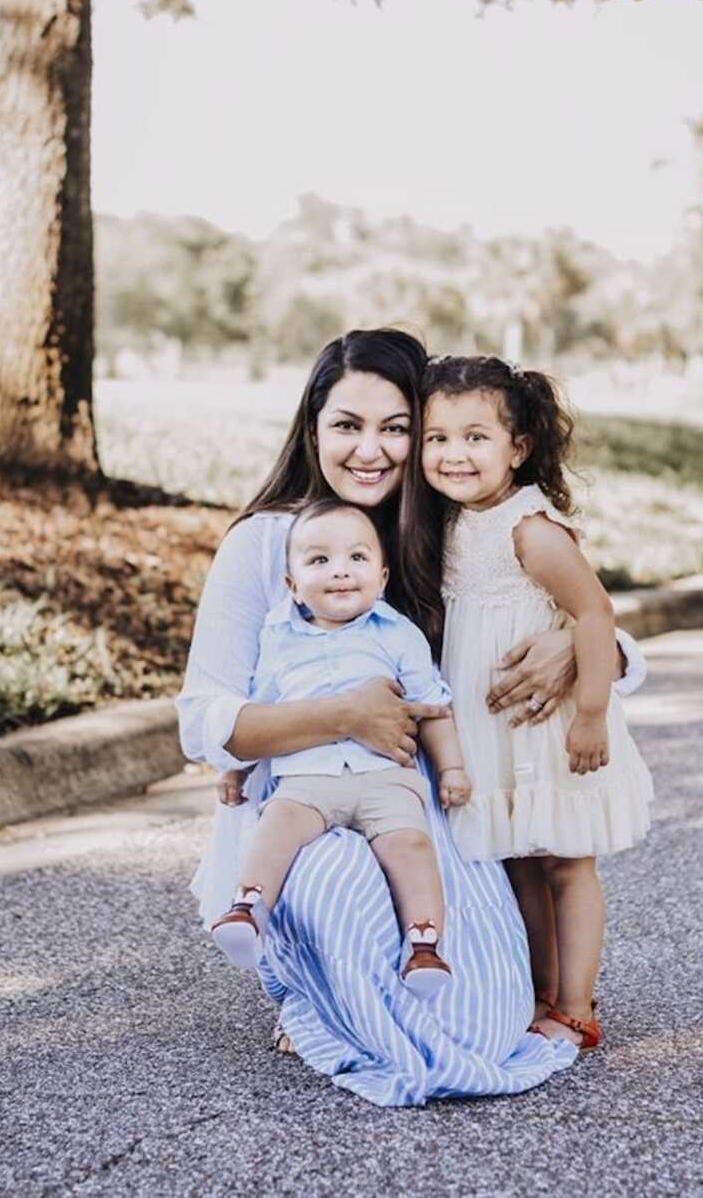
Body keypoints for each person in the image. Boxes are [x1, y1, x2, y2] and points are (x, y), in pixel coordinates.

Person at [177, 327, 645, 1107]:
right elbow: (203, 721)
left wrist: (579, 647)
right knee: (342, 883)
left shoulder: (443, 526)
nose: (373, 450)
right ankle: (318, 988)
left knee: (490, 1019)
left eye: (396, 428)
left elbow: (597, 628)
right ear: (312, 428)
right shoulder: (270, 542)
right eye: (348, 425)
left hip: (420, 806)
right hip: (309, 806)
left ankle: (522, 993)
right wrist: (341, 714)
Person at [420, 354, 654, 1052]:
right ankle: (542, 988)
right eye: (437, 437)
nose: (453, 454)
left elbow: (594, 613)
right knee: (520, 858)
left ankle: (578, 1003)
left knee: (567, 860)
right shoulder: (451, 523)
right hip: (493, 730)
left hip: (550, 727)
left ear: (518, 447)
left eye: (474, 436)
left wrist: (588, 712)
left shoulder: (531, 527)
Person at [210, 497, 471, 1000]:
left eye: (357, 558)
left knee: (412, 847)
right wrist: (234, 768)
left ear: (382, 575)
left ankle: (424, 945)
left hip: (385, 778)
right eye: (318, 561)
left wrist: (452, 768)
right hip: (308, 780)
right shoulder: (279, 637)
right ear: (292, 586)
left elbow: (432, 705)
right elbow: (260, 709)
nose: (340, 572)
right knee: (275, 826)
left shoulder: (397, 634)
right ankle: (248, 908)